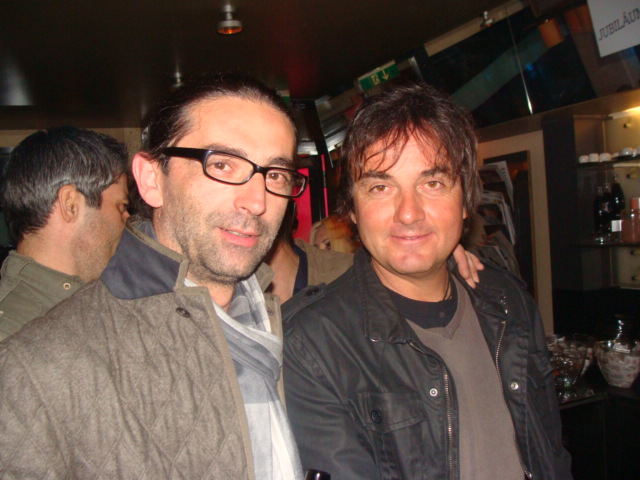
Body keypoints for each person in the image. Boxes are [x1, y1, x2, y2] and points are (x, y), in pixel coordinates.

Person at [0, 73, 307, 480]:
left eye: (276, 175)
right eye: (221, 164)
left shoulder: (301, 335)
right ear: (151, 180)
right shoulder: (35, 369)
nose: (256, 200)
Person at [283, 81, 572, 479]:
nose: (409, 212)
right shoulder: (312, 344)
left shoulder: (509, 302)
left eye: (432, 183)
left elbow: (551, 455)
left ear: (465, 200)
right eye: (381, 187)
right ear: (351, 208)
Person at [0, 126, 130, 341]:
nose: (127, 219)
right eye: (121, 206)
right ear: (70, 205)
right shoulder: (10, 335)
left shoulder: (94, 301)